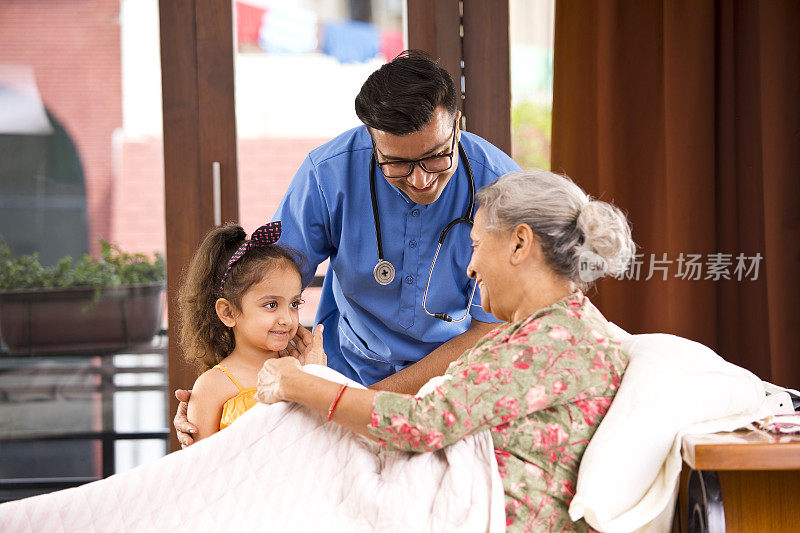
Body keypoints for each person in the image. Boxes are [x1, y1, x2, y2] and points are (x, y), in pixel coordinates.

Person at [255, 170, 635, 531]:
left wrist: (298, 385)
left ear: (519, 244)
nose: (470, 268)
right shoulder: (550, 329)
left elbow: (421, 423)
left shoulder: (556, 340)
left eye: (476, 245)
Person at [175, 50, 520, 446]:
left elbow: (490, 331)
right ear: (371, 139)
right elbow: (259, 289)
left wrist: (359, 404)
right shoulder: (329, 173)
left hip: (445, 387)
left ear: (456, 125)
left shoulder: (502, 189)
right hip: (341, 370)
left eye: (436, 157)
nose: (422, 180)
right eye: (397, 164)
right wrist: (215, 390)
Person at [176, 221, 323, 440]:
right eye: (271, 305)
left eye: (294, 304)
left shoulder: (305, 369)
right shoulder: (211, 387)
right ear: (228, 312)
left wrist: (316, 378)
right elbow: (201, 468)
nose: (287, 319)